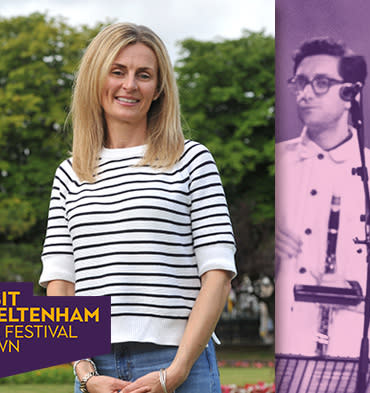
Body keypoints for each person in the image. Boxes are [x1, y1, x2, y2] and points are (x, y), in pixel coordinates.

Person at [39, 22, 236, 393]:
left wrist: (175, 372)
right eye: (117, 71)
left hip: (179, 364)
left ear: (159, 88)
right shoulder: (70, 174)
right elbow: (60, 284)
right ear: (96, 79)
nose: (130, 84)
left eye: (143, 75)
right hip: (97, 369)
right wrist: (85, 373)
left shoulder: (192, 159)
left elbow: (218, 274)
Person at [274, 37, 370, 359]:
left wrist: (353, 290)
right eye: (300, 82)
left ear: (351, 93)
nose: (306, 93)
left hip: (344, 355)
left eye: (321, 83)